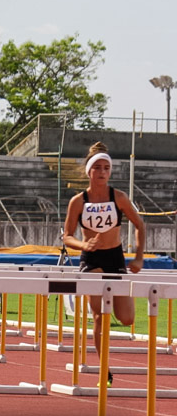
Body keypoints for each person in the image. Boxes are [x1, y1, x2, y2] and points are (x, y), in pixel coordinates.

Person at [62, 141, 145, 388]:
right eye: (97, 167)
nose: (102, 172)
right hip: (92, 260)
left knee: (127, 318)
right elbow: (66, 236)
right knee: (99, 316)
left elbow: (140, 225)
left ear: (110, 171)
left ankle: (105, 365)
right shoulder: (78, 201)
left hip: (115, 257)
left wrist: (139, 257)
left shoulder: (118, 198)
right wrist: (83, 245)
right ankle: (104, 370)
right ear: (89, 171)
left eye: (106, 168)